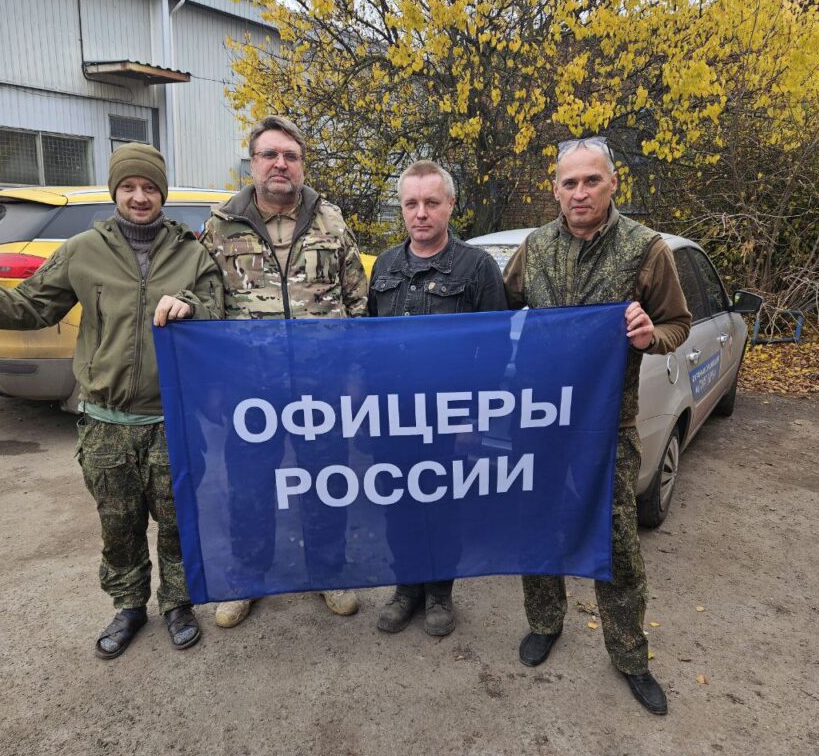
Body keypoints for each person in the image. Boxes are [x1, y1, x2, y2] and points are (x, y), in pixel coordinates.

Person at [0, 143, 224, 659]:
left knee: (179, 521)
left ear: (163, 194)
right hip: (106, 420)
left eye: (150, 187)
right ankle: (129, 605)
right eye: (130, 187)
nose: (140, 197)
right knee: (119, 523)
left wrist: (193, 304)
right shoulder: (83, 249)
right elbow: (31, 305)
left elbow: (218, 310)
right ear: (115, 191)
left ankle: (178, 602)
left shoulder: (191, 252)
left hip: (174, 419)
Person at [501, 136, 691, 715]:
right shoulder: (534, 248)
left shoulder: (645, 249)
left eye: (591, 181)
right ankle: (544, 623)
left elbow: (678, 323)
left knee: (617, 546)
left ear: (613, 184)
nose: (579, 192)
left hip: (608, 429)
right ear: (554, 189)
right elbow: (500, 315)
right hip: (539, 425)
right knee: (539, 530)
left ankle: (631, 656)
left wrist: (648, 336)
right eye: (569, 182)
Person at [202, 115, 369, 628]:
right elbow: (206, 308)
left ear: (301, 165)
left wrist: (356, 377)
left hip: (322, 390)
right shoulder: (219, 226)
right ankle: (248, 579)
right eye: (270, 154)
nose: (280, 164)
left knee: (325, 482)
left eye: (290, 156)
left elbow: (356, 303)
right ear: (252, 163)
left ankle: (329, 573)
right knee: (249, 485)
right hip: (251, 391)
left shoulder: (332, 223)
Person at [367, 160, 508, 636]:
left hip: (448, 419)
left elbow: (493, 353)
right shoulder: (386, 265)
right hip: (393, 418)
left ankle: (440, 594)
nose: (421, 213)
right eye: (412, 203)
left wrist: (472, 419)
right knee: (398, 504)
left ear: (450, 204)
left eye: (432, 202)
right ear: (401, 209)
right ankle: (406, 588)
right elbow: (368, 346)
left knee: (442, 506)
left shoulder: (477, 268)